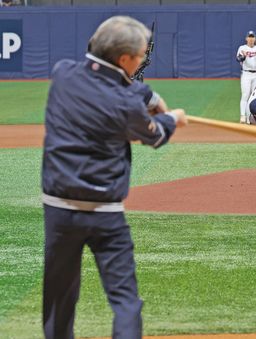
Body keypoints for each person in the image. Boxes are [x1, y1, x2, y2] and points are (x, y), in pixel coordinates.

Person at [41, 16, 187, 339]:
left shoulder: (62, 74)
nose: (141, 60)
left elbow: (109, 80)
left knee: (59, 300)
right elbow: (156, 136)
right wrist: (172, 118)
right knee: (125, 302)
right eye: (140, 55)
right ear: (124, 60)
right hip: (105, 214)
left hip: (59, 211)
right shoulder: (126, 104)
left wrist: (147, 96)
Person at [236, 30, 256, 124]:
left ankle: (251, 118)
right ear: (246, 38)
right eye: (249, 37)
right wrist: (244, 56)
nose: (251, 38)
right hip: (246, 74)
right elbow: (238, 59)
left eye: (252, 37)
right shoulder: (242, 48)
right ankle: (243, 116)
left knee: (255, 96)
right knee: (245, 95)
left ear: (255, 38)